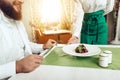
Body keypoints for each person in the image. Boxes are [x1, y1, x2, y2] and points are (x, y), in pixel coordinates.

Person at [0, 0, 57, 79]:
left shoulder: (17, 21)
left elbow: (26, 44)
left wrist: (43, 46)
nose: (22, 1)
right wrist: (17, 66)